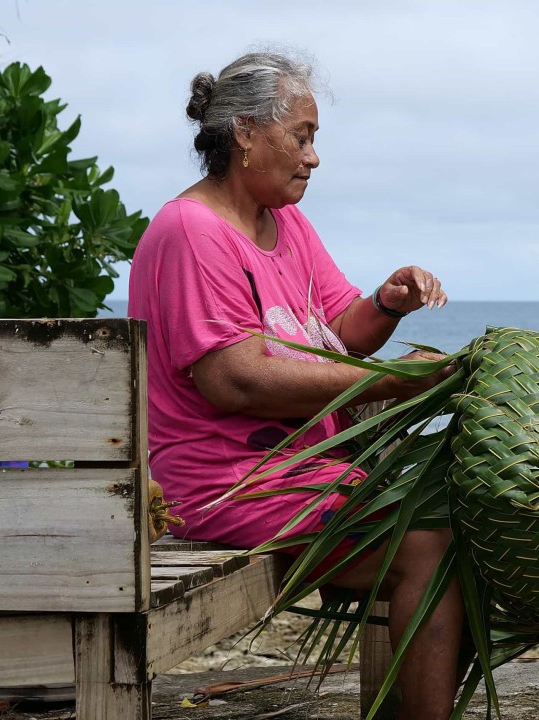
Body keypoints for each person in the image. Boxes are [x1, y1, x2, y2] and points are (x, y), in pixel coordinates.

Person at [127, 51, 462, 719]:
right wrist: (398, 385)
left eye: (314, 140)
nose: (313, 158)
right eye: (301, 136)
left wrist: (389, 303)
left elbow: (342, 328)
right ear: (245, 133)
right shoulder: (193, 232)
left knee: (458, 517)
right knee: (431, 543)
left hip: (298, 472)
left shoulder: (286, 222)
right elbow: (234, 381)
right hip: (228, 481)